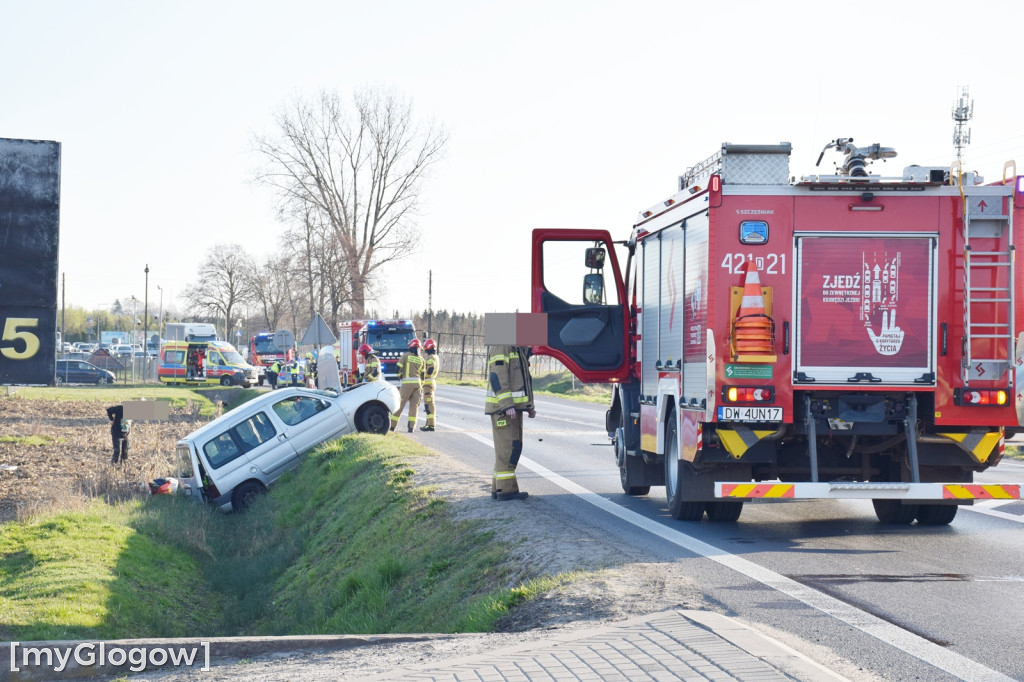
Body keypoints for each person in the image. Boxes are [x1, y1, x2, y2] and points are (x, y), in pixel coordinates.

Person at [484, 345, 535, 501]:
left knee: (508, 449)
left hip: (513, 409)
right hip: (503, 409)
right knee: (508, 450)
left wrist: (529, 406)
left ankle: (498, 488)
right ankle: (506, 491)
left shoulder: (515, 348)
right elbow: (497, 376)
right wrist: (506, 404)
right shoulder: (501, 345)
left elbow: (522, 379)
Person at [390, 338, 424, 433]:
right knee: (414, 407)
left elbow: (397, 368)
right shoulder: (421, 359)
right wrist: (421, 385)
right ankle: (411, 428)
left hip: (406, 385)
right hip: (418, 386)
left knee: (398, 405)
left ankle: (392, 427)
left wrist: (400, 376)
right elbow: (423, 375)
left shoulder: (405, 356)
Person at [420, 338, 441, 432]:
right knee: (428, 405)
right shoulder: (435, 357)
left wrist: (424, 375)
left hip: (428, 383)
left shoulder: (430, 358)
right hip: (431, 383)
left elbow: (430, 369)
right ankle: (429, 423)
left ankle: (431, 425)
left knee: (429, 405)